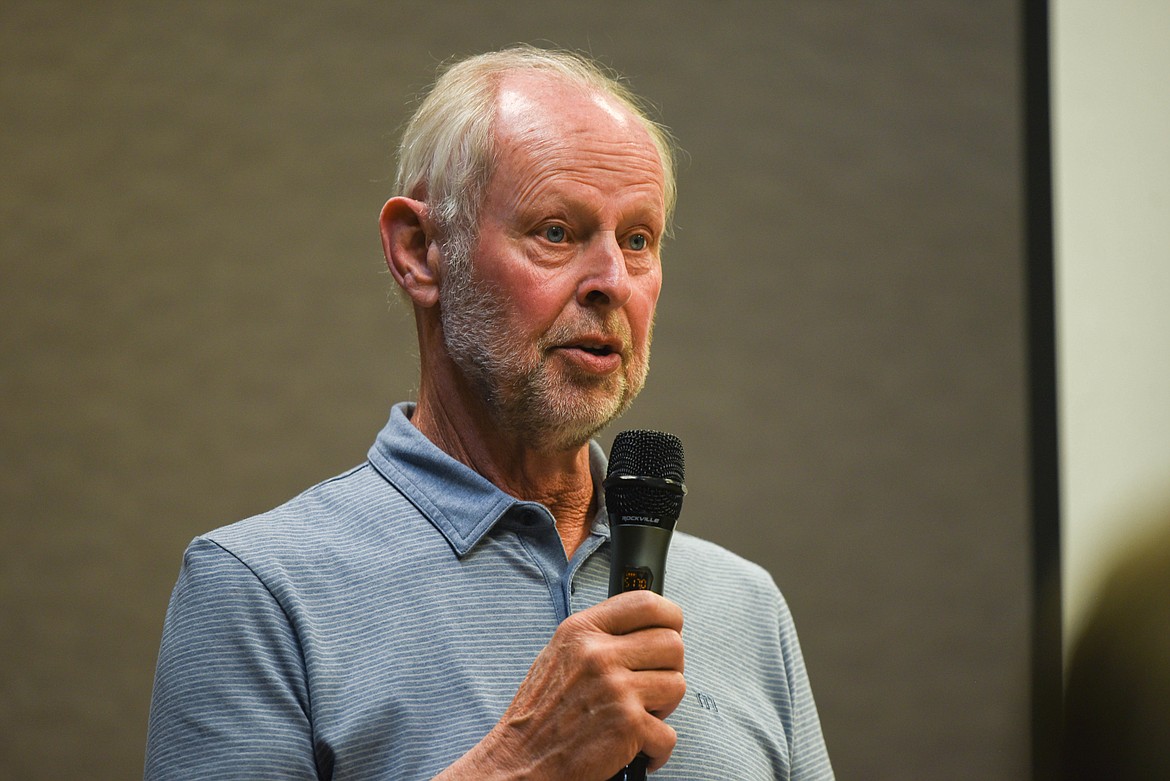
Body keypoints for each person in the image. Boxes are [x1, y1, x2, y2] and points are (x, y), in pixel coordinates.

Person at [144, 46, 834, 780]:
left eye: (638, 240)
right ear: (419, 250)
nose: (611, 282)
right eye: (557, 232)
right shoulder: (257, 590)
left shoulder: (746, 605)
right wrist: (519, 766)